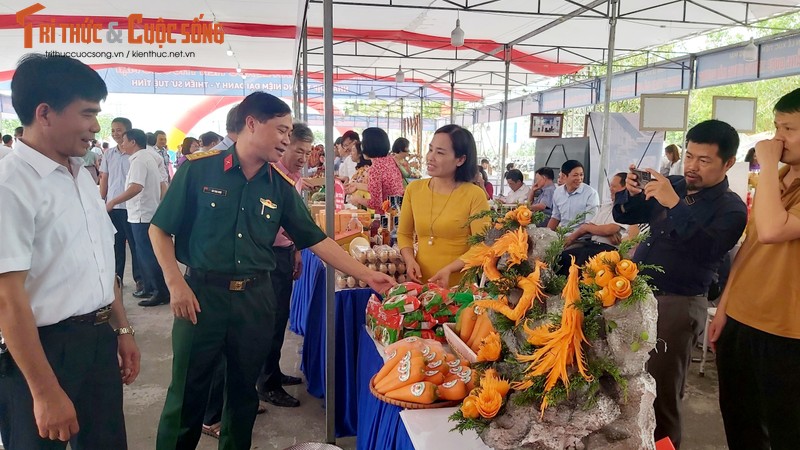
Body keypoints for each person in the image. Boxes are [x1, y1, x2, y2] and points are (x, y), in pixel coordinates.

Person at [149, 92, 395, 449]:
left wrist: (368, 274)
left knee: (243, 394)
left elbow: (316, 240)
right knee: (187, 392)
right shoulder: (198, 169)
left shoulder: (279, 187)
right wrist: (175, 283)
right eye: (280, 129)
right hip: (201, 296)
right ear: (251, 123)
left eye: (289, 131)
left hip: (255, 300)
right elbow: (159, 229)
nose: (286, 138)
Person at [0, 53, 139, 450]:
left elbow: (101, 263)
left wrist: (122, 328)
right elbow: (8, 301)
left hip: (96, 341)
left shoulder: (79, 176)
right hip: (41, 351)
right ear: (44, 113)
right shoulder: (11, 186)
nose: (96, 127)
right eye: (87, 114)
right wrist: (44, 392)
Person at [613, 119, 747, 449]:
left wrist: (674, 204)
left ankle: (666, 444)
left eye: (704, 160)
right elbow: (627, 216)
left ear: (728, 163)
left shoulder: (731, 208)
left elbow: (707, 249)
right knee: (625, 381)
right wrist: (628, 193)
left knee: (661, 392)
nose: (692, 167)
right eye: (689, 156)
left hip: (677, 303)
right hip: (637, 295)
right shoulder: (673, 183)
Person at [709, 88, 800, 450]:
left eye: (790, 129)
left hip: (786, 333)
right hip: (742, 320)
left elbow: (773, 229)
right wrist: (726, 306)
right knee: (740, 423)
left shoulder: (770, 183)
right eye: (777, 127)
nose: (778, 138)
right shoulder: (778, 182)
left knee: (786, 430)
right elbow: (750, 246)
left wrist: (764, 163)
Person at [255, 122, 314, 409]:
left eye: (307, 152)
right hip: (266, 257)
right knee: (269, 322)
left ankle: (272, 373)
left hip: (284, 252)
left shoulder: (296, 177)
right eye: (298, 151)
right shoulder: (271, 175)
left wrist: (297, 250)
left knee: (280, 319)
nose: (303, 157)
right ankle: (267, 385)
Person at [398, 124, 490, 288]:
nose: (430, 157)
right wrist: (409, 260)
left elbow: (482, 245)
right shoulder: (414, 190)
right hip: (421, 285)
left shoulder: (474, 195)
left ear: (460, 159)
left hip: (458, 288)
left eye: (440, 152)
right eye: (430, 149)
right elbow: (404, 234)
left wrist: (450, 269)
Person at [106, 128, 170, 307]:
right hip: (144, 212)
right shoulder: (148, 157)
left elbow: (136, 187)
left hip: (141, 214)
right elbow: (161, 184)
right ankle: (150, 287)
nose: (122, 144)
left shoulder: (139, 161)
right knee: (143, 254)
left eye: (124, 141)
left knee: (147, 254)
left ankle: (160, 291)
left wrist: (112, 202)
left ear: (133, 142)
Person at [100, 116, 144, 295]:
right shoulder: (109, 154)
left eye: (119, 130)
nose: (115, 133)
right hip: (113, 207)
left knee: (135, 245)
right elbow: (104, 178)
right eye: (112, 130)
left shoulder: (136, 154)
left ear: (128, 132)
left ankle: (140, 279)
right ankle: (116, 278)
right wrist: (101, 201)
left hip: (131, 207)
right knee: (115, 244)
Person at [559, 172, 630, 270]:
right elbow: (586, 227)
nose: (610, 189)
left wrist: (594, 229)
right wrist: (572, 238)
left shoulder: (626, 209)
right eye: (610, 186)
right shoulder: (605, 206)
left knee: (579, 266)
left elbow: (610, 229)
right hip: (591, 245)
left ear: (625, 188)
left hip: (607, 250)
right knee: (562, 258)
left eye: (614, 186)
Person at [348, 128, 404, 214]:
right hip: (398, 212)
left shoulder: (375, 169)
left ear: (369, 145)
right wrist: (357, 185)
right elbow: (382, 188)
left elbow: (376, 203)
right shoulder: (390, 160)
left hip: (386, 218)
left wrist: (357, 199)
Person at [547, 160, 599, 232]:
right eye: (575, 175)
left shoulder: (591, 194)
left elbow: (589, 224)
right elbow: (555, 217)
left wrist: (570, 239)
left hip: (581, 238)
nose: (579, 178)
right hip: (562, 235)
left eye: (581, 175)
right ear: (564, 176)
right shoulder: (557, 192)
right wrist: (546, 234)